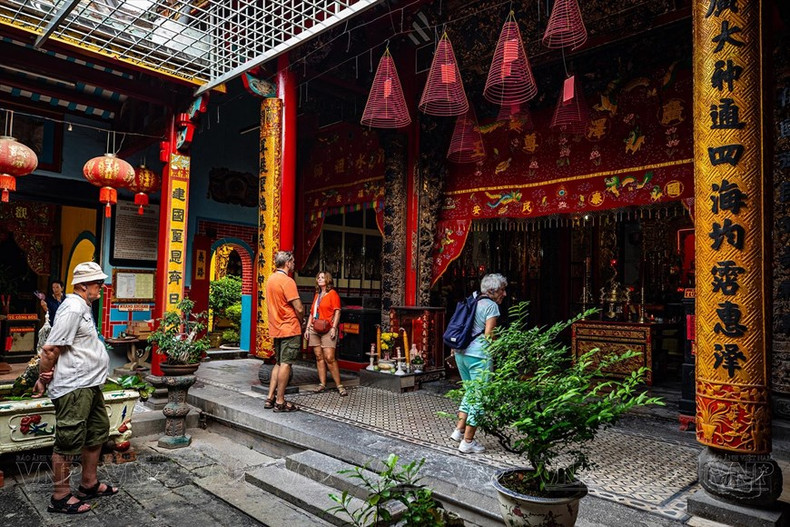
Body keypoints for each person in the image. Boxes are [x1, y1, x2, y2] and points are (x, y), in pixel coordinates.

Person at [33, 261, 118, 514]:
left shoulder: (83, 306)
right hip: (74, 386)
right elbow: (50, 349)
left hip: (90, 384)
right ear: (82, 286)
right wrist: (43, 377)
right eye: (97, 283)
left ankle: (88, 484)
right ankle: (60, 497)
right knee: (68, 440)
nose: (101, 287)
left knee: (97, 431)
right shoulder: (72, 308)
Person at [450, 273, 507, 454]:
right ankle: (468, 441)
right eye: (502, 290)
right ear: (493, 290)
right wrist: (501, 347)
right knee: (479, 397)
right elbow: (489, 335)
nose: (504, 294)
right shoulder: (491, 306)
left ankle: (459, 430)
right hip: (479, 356)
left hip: (461, 353)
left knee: (470, 391)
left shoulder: (472, 300)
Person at [264, 251, 304, 412]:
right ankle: (280, 401)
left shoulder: (271, 279)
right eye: (292, 262)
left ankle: (270, 397)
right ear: (287, 263)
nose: (293, 264)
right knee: (286, 364)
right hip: (289, 327)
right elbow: (298, 307)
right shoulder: (287, 281)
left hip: (276, 326)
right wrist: (301, 320)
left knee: (279, 363)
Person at [304, 271, 346, 396]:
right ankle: (322, 384)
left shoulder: (333, 294)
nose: (320, 279)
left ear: (328, 280)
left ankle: (339, 385)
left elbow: (337, 311)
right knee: (318, 356)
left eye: (322, 277)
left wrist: (334, 327)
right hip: (315, 328)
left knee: (329, 357)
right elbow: (312, 313)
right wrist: (307, 328)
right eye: (318, 277)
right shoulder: (317, 294)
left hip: (328, 328)